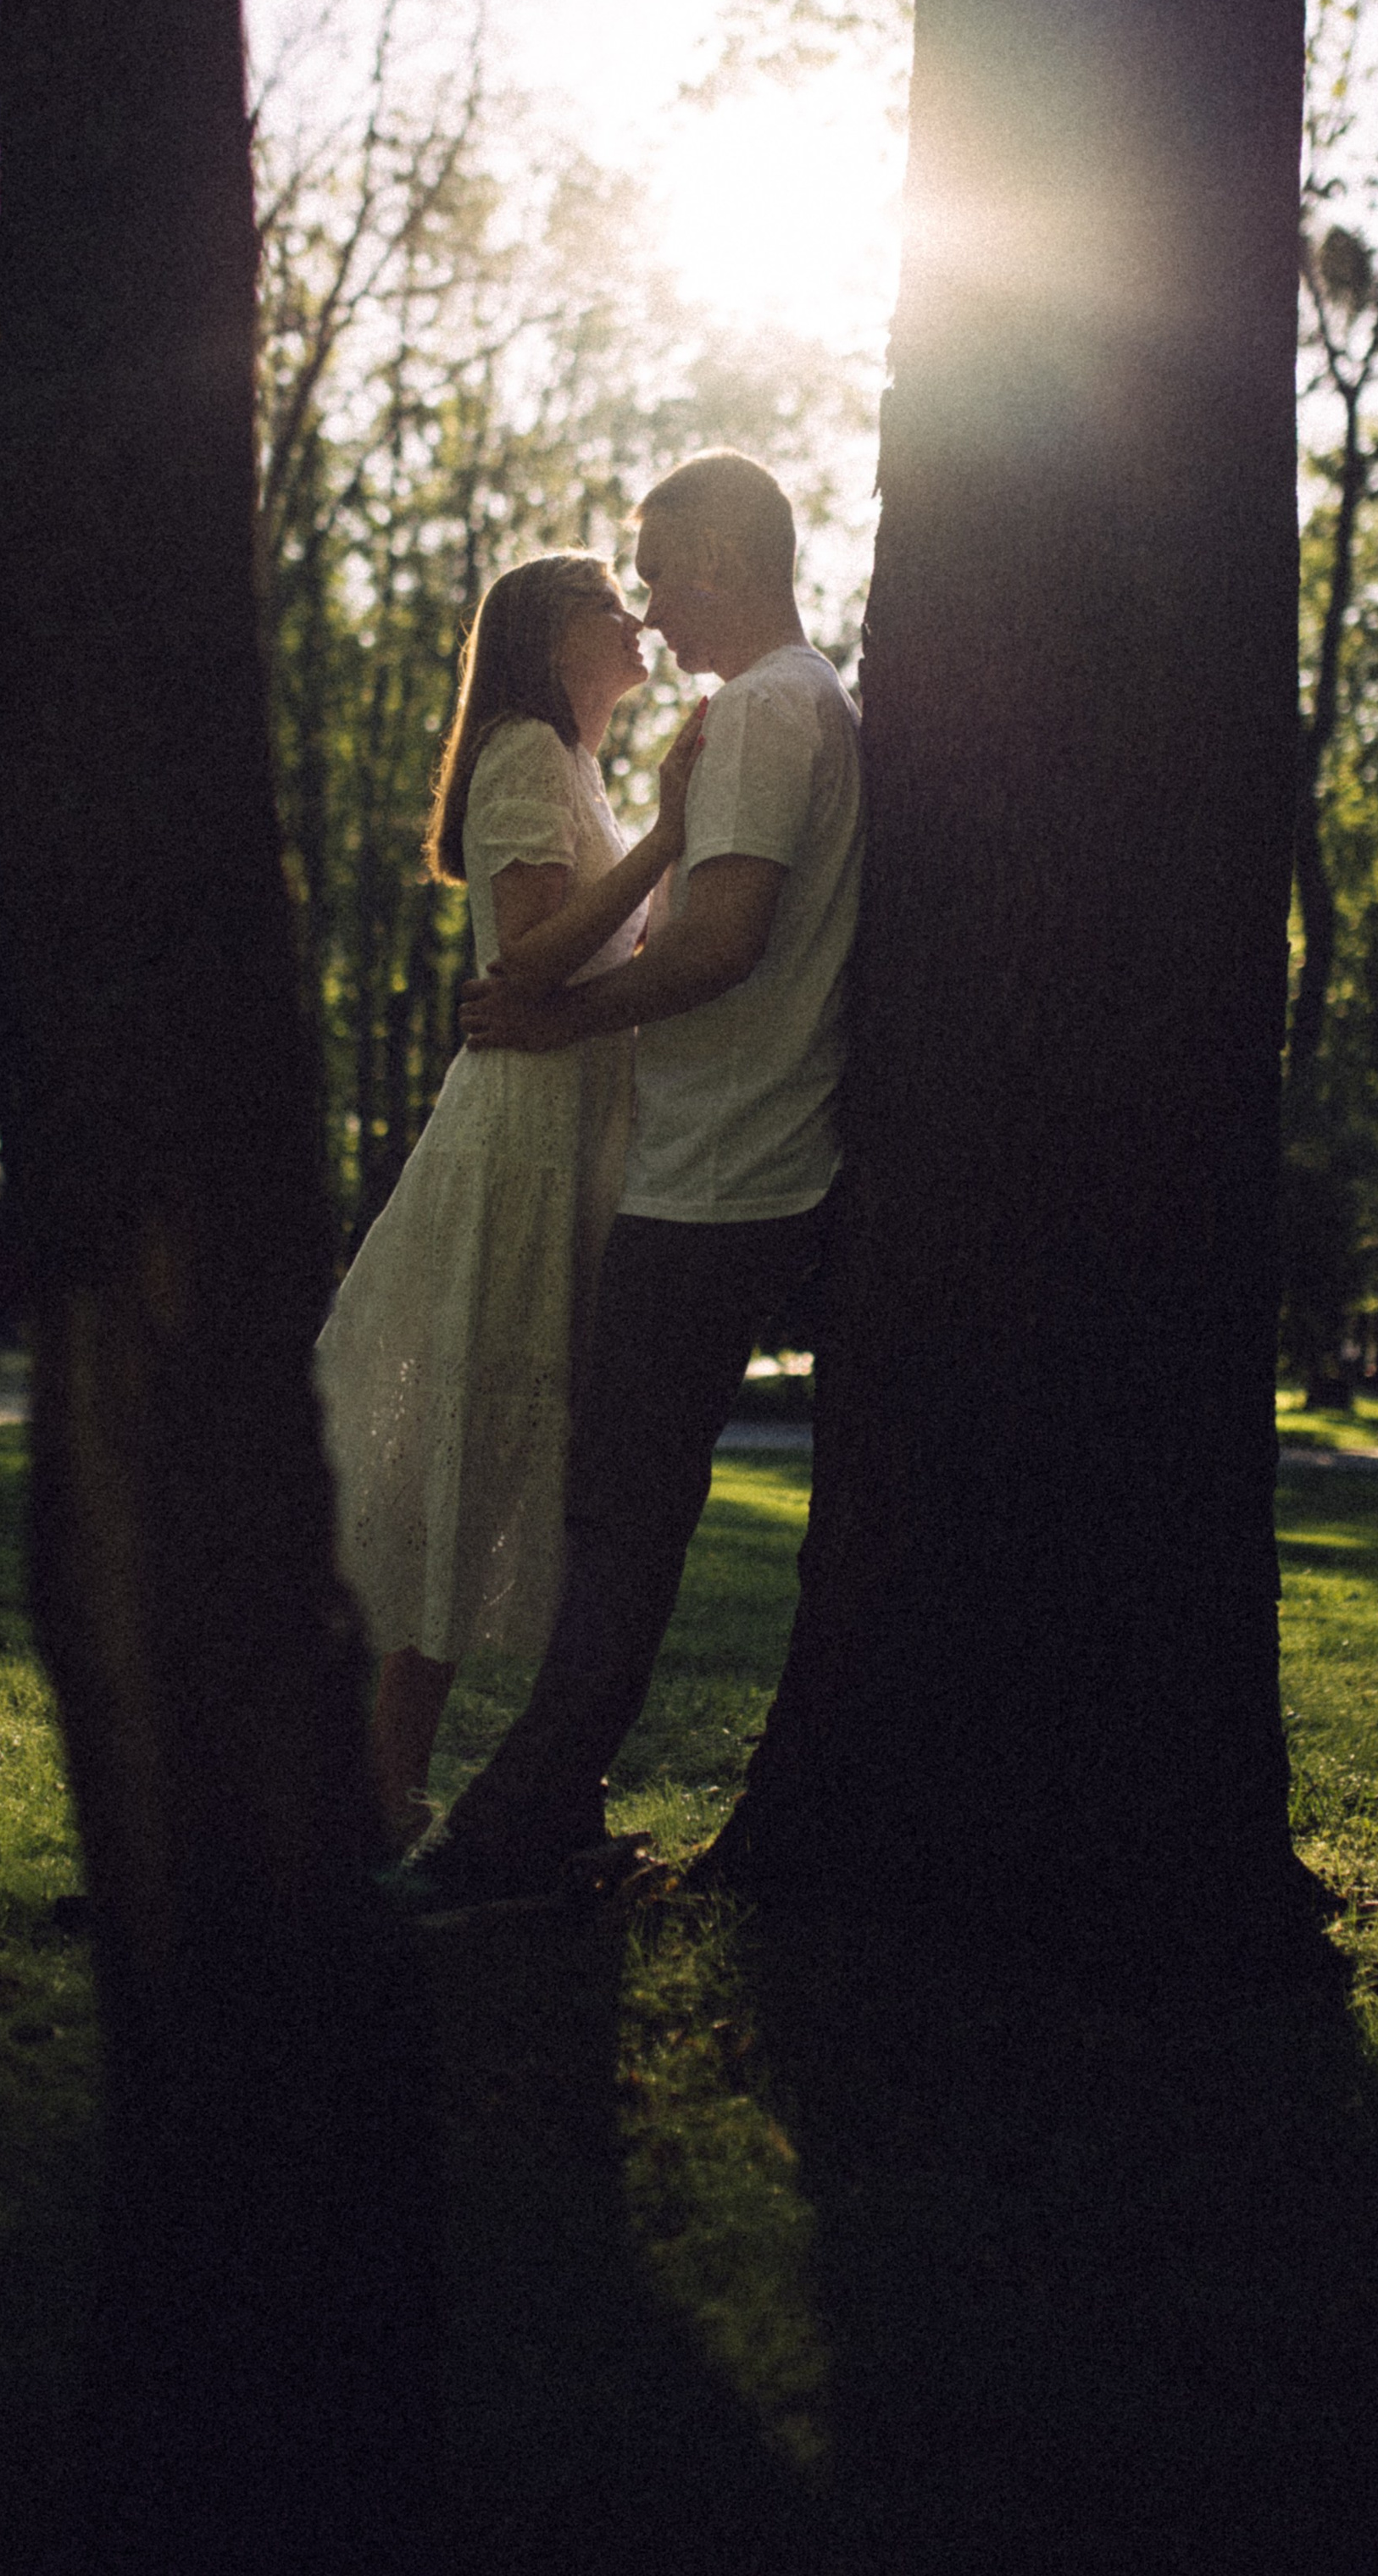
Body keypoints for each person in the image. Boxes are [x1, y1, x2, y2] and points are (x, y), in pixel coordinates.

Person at [402, 447, 863, 1906]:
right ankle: (544, 1804)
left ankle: (521, 1815)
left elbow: (719, 947)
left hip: (720, 1174)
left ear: (724, 554)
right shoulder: (780, 710)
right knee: (623, 1506)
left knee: (620, 1513)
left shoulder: (772, 712)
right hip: (715, 1159)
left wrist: (553, 1014)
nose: (653, 609)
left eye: (661, 568)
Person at [317, 552, 705, 1850]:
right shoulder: (527, 756)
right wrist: (669, 831)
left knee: (523, 1460)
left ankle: (409, 1788)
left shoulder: (570, 768)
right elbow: (530, 958)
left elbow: (594, 953)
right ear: (553, 634)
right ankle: (382, 1789)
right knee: (478, 1458)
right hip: (526, 1147)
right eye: (613, 600)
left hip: (582, 1130)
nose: (639, 618)